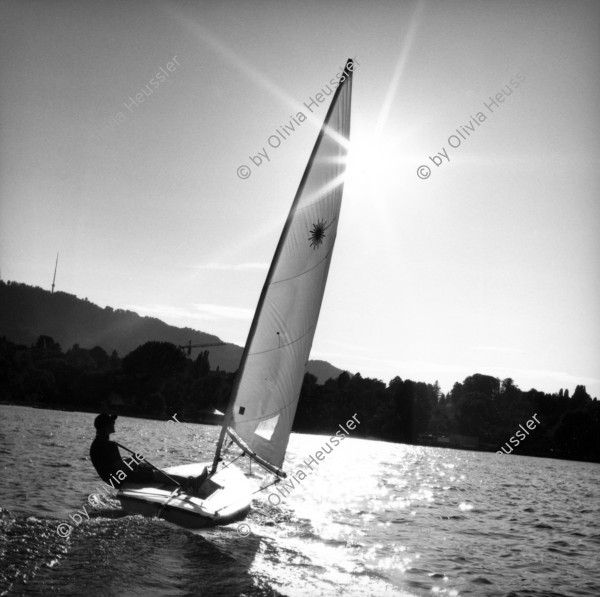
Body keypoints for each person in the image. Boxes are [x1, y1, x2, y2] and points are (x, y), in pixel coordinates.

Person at [90, 413, 209, 492]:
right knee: (158, 474)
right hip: (121, 479)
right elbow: (121, 468)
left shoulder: (95, 444)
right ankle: (192, 483)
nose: (114, 423)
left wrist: (131, 461)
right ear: (106, 426)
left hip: (112, 480)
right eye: (112, 422)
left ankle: (185, 482)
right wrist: (134, 460)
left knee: (148, 468)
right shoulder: (109, 445)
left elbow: (111, 466)